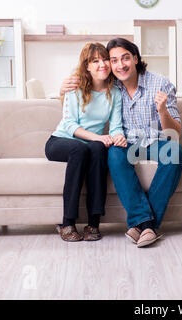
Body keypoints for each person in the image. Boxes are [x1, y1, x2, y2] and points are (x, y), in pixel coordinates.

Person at [60, 38, 182, 248]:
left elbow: (175, 132)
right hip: (127, 145)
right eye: (114, 60)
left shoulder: (160, 83)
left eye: (125, 58)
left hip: (156, 142)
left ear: (135, 58)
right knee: (114, 155)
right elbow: (79, 95)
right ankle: (147, 224)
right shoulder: (110, 85)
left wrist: (162, 110)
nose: (120, 65)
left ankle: (143, 225)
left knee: (176, 151)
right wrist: (62, 91)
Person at [46, 42, 126, 242]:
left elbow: (115, 126)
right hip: (61, 141)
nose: (103, 64)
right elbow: (70, 126)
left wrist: (118, 136)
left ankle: (93, 223)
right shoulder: (75, 88)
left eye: (105, 59)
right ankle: (67, 223)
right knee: (81, 149)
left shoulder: (115, 92)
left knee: (99, 148)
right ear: (87, 66)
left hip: (90, 144)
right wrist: (99, 137)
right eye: (95, 61)